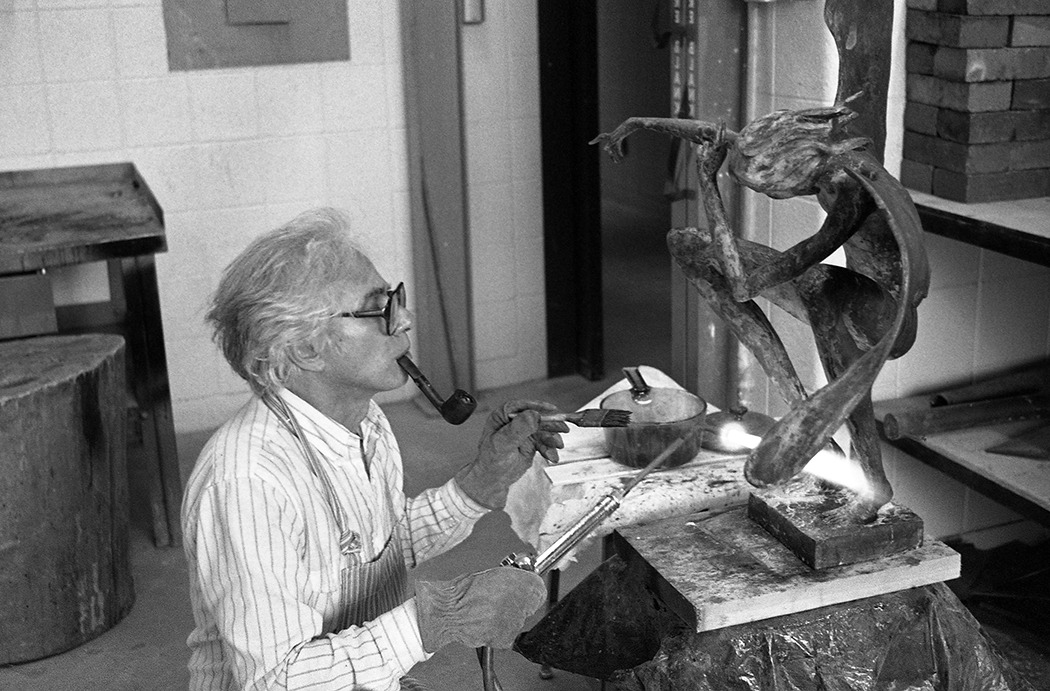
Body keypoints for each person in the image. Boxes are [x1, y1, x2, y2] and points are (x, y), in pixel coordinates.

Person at [181, 208, 568, 690]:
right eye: (377, 307)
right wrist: (436, 619)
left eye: (395, 298)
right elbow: (274, 681)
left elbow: (377, 551)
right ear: (306, 350)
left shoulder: (365, 421)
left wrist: (483, 480)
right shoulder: (246, 484)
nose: (404, 318)